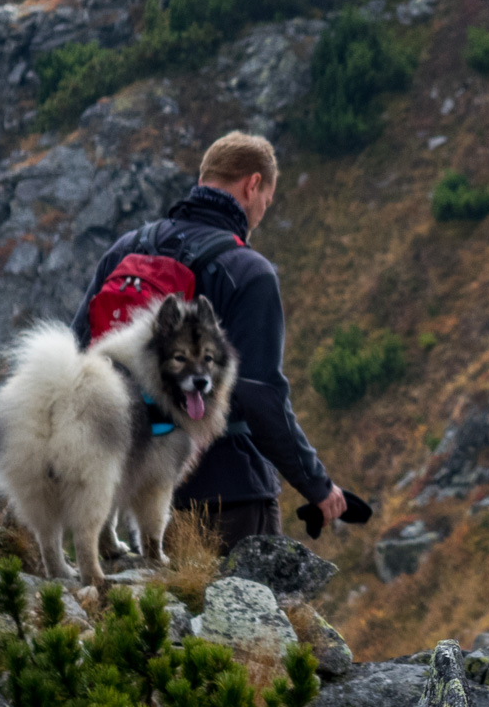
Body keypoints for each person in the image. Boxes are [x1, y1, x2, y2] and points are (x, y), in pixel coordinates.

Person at [73, 132, 346, 550]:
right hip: (228, 496)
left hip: (130, 483)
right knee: (244, 612)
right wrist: (317, 484)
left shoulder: (127, 250)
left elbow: (80, 350)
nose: (260, 215)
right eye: (266, 203)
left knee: (145, 613)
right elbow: (259, 395)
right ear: (252, 185)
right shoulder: (247, 270)